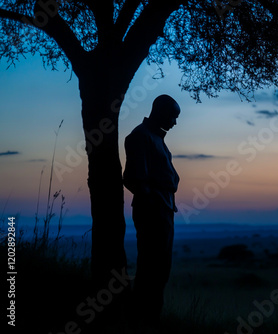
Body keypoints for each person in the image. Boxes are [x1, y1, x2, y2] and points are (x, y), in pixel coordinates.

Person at [123, 94, 180, 330]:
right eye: (173, 117)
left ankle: (150, 319)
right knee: (150, 269)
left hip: (164, 209)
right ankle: (143, 321)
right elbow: (135, 178)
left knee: (160, 268)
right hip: (154, 210)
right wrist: (153, 201)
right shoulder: (140, 137)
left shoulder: (156, 137)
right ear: (160, 111)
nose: (175, 123)